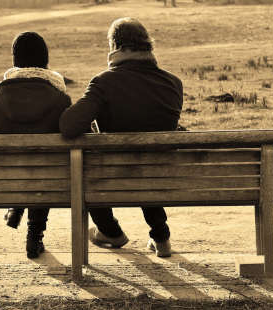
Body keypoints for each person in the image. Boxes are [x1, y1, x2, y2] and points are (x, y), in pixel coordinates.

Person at [59, 17, 183, 257]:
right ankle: (161, 236)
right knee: (148, 156)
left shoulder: (104, 82)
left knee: (86, 163)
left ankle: (110, 231)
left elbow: (68, 125)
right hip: (161, 177)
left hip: (112, 177)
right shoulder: (174, 83)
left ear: (117, 46)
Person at [0, 32, 71, 258]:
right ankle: (35, 235)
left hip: (5, 179)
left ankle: (16, 205)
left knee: (24, 166)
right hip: (48, 179)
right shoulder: (60, 97)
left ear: (15, 60)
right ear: (45, 60)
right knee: (44, 166)